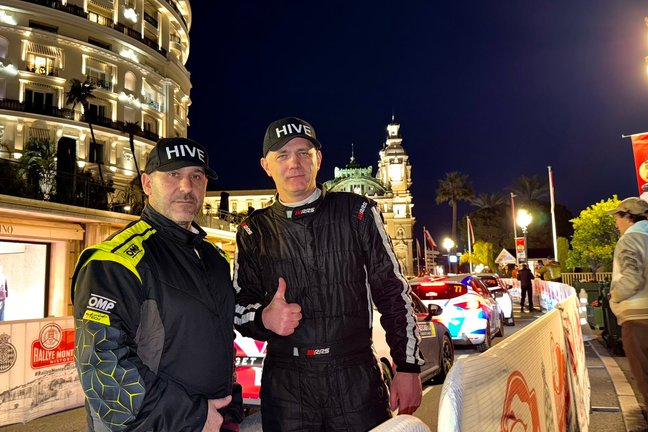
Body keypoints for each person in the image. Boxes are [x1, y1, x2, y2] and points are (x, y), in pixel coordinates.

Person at [233, 117, 425, 431]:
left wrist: (408, 368)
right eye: (282, 155)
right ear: (266, 165)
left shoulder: (360, 212)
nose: (294, 162)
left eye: (303, 153)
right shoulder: (253, 230)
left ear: (318, 159)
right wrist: (264, 318)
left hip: (356, 379)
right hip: (287, 387)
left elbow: (392, 291)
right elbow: (239, 306)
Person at [71, 137, 240, 431]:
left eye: (196, 177)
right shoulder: (114, 261)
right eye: (173, 175)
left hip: (215, 421)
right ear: (147, 184)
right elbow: (102, 369)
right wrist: (193, 416)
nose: (186, 187)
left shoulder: (212, 258)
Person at [607, 197, 648, 432]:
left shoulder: (630, 240)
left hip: (640, 321)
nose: (616, 222)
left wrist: (613, 296)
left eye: (617, 216)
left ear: (628, 216)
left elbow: (632, 279)